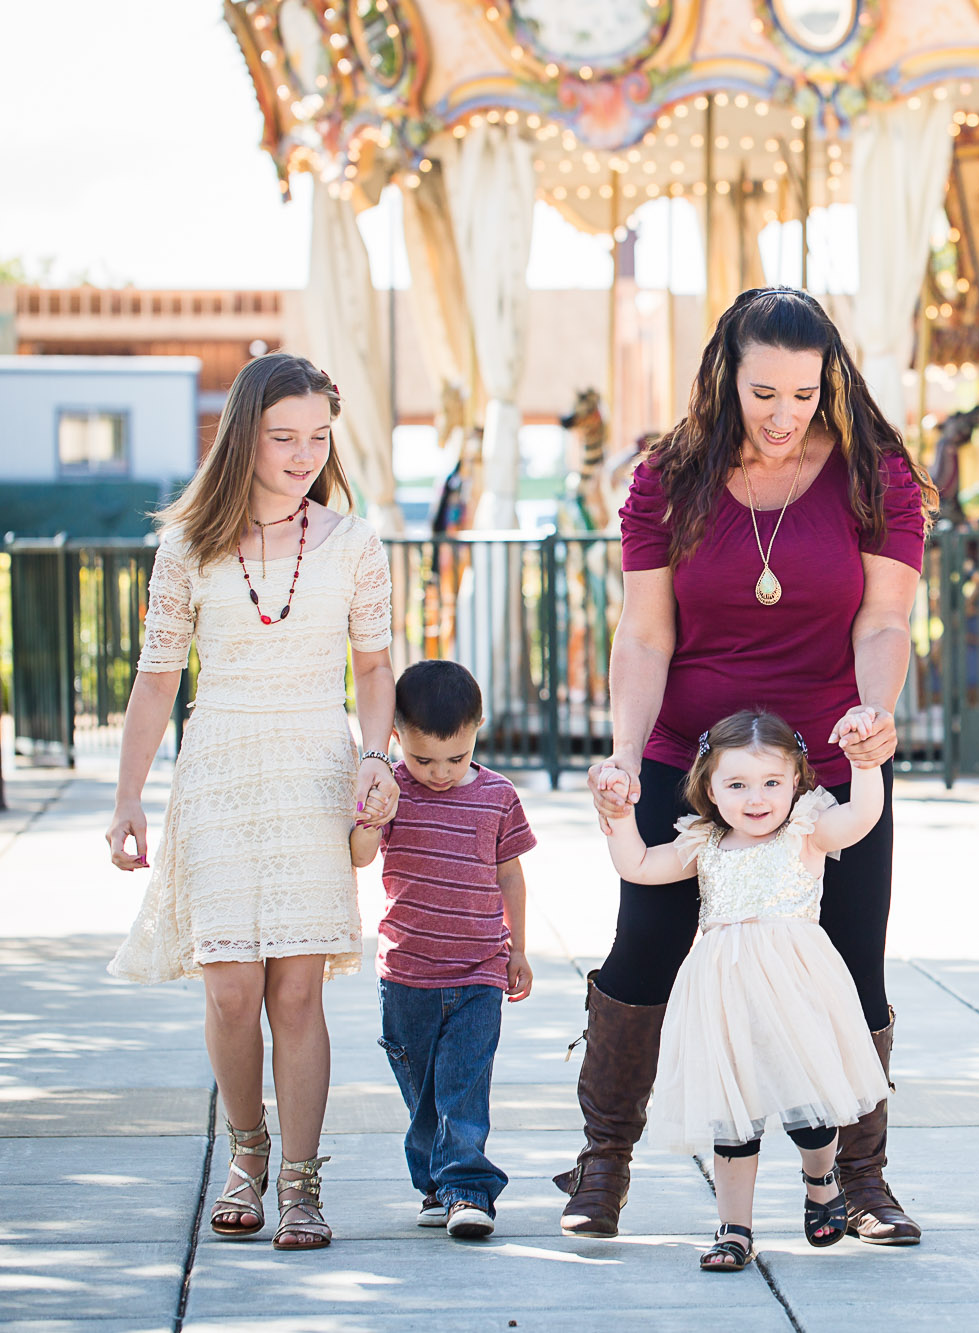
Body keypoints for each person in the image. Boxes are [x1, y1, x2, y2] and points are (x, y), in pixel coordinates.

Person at [565, 287, 935, 1243]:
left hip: (821, 761)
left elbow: (884, 618)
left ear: (832, 382)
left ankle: (861, 1179)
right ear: (726, 375)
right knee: (645, 951)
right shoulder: (667, 479)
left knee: (851, 966)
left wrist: (873, 716)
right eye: (763, 391)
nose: (783, 417)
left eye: (805, 395)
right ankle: (604, 1162)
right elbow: (645, 635)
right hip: (686, 759)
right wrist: (619, 751)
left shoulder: (875, 477)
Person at [106, 353, 397, 1251]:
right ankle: (247, 1152)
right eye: (283, 437)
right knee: (232, 989)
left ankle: (304, 1184)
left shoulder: (352, 543)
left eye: (318, 436)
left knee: (298, 991)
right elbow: (157, 685)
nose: (304, 453)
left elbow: (376, 667)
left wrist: (376, 759)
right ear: (243, 437)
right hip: (221, 766)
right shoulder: (187, 545)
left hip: (315, 765)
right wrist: (127, 800)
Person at [605, 709, 891, 1271]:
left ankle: (822, 1181)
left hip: (795, 993)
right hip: (723, 998)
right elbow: (637, 864)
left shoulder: (808, 828)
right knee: (733, 1121)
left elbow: (862, 817)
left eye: (771, 783)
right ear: (709, 787)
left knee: (810, 1114)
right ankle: (735, 1229)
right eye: (736, 784)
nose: (756, 798)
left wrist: (866, 765)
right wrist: (616, 812)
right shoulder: (704, 842)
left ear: (796, 782)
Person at [348, 659, 536, 1240]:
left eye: (455, 758)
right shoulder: (391, 790)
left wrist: (518, 949)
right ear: (396, 736)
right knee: (424, 1091)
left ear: (478, 728)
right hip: (406, 973)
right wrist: (369, 814)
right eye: (422, 758)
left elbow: (511, 878)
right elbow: (358, 856)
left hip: (479, 968)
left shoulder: (498, 796)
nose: (439, 772)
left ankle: (467, 1188)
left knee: (464, 1082)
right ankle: (436, 1182)